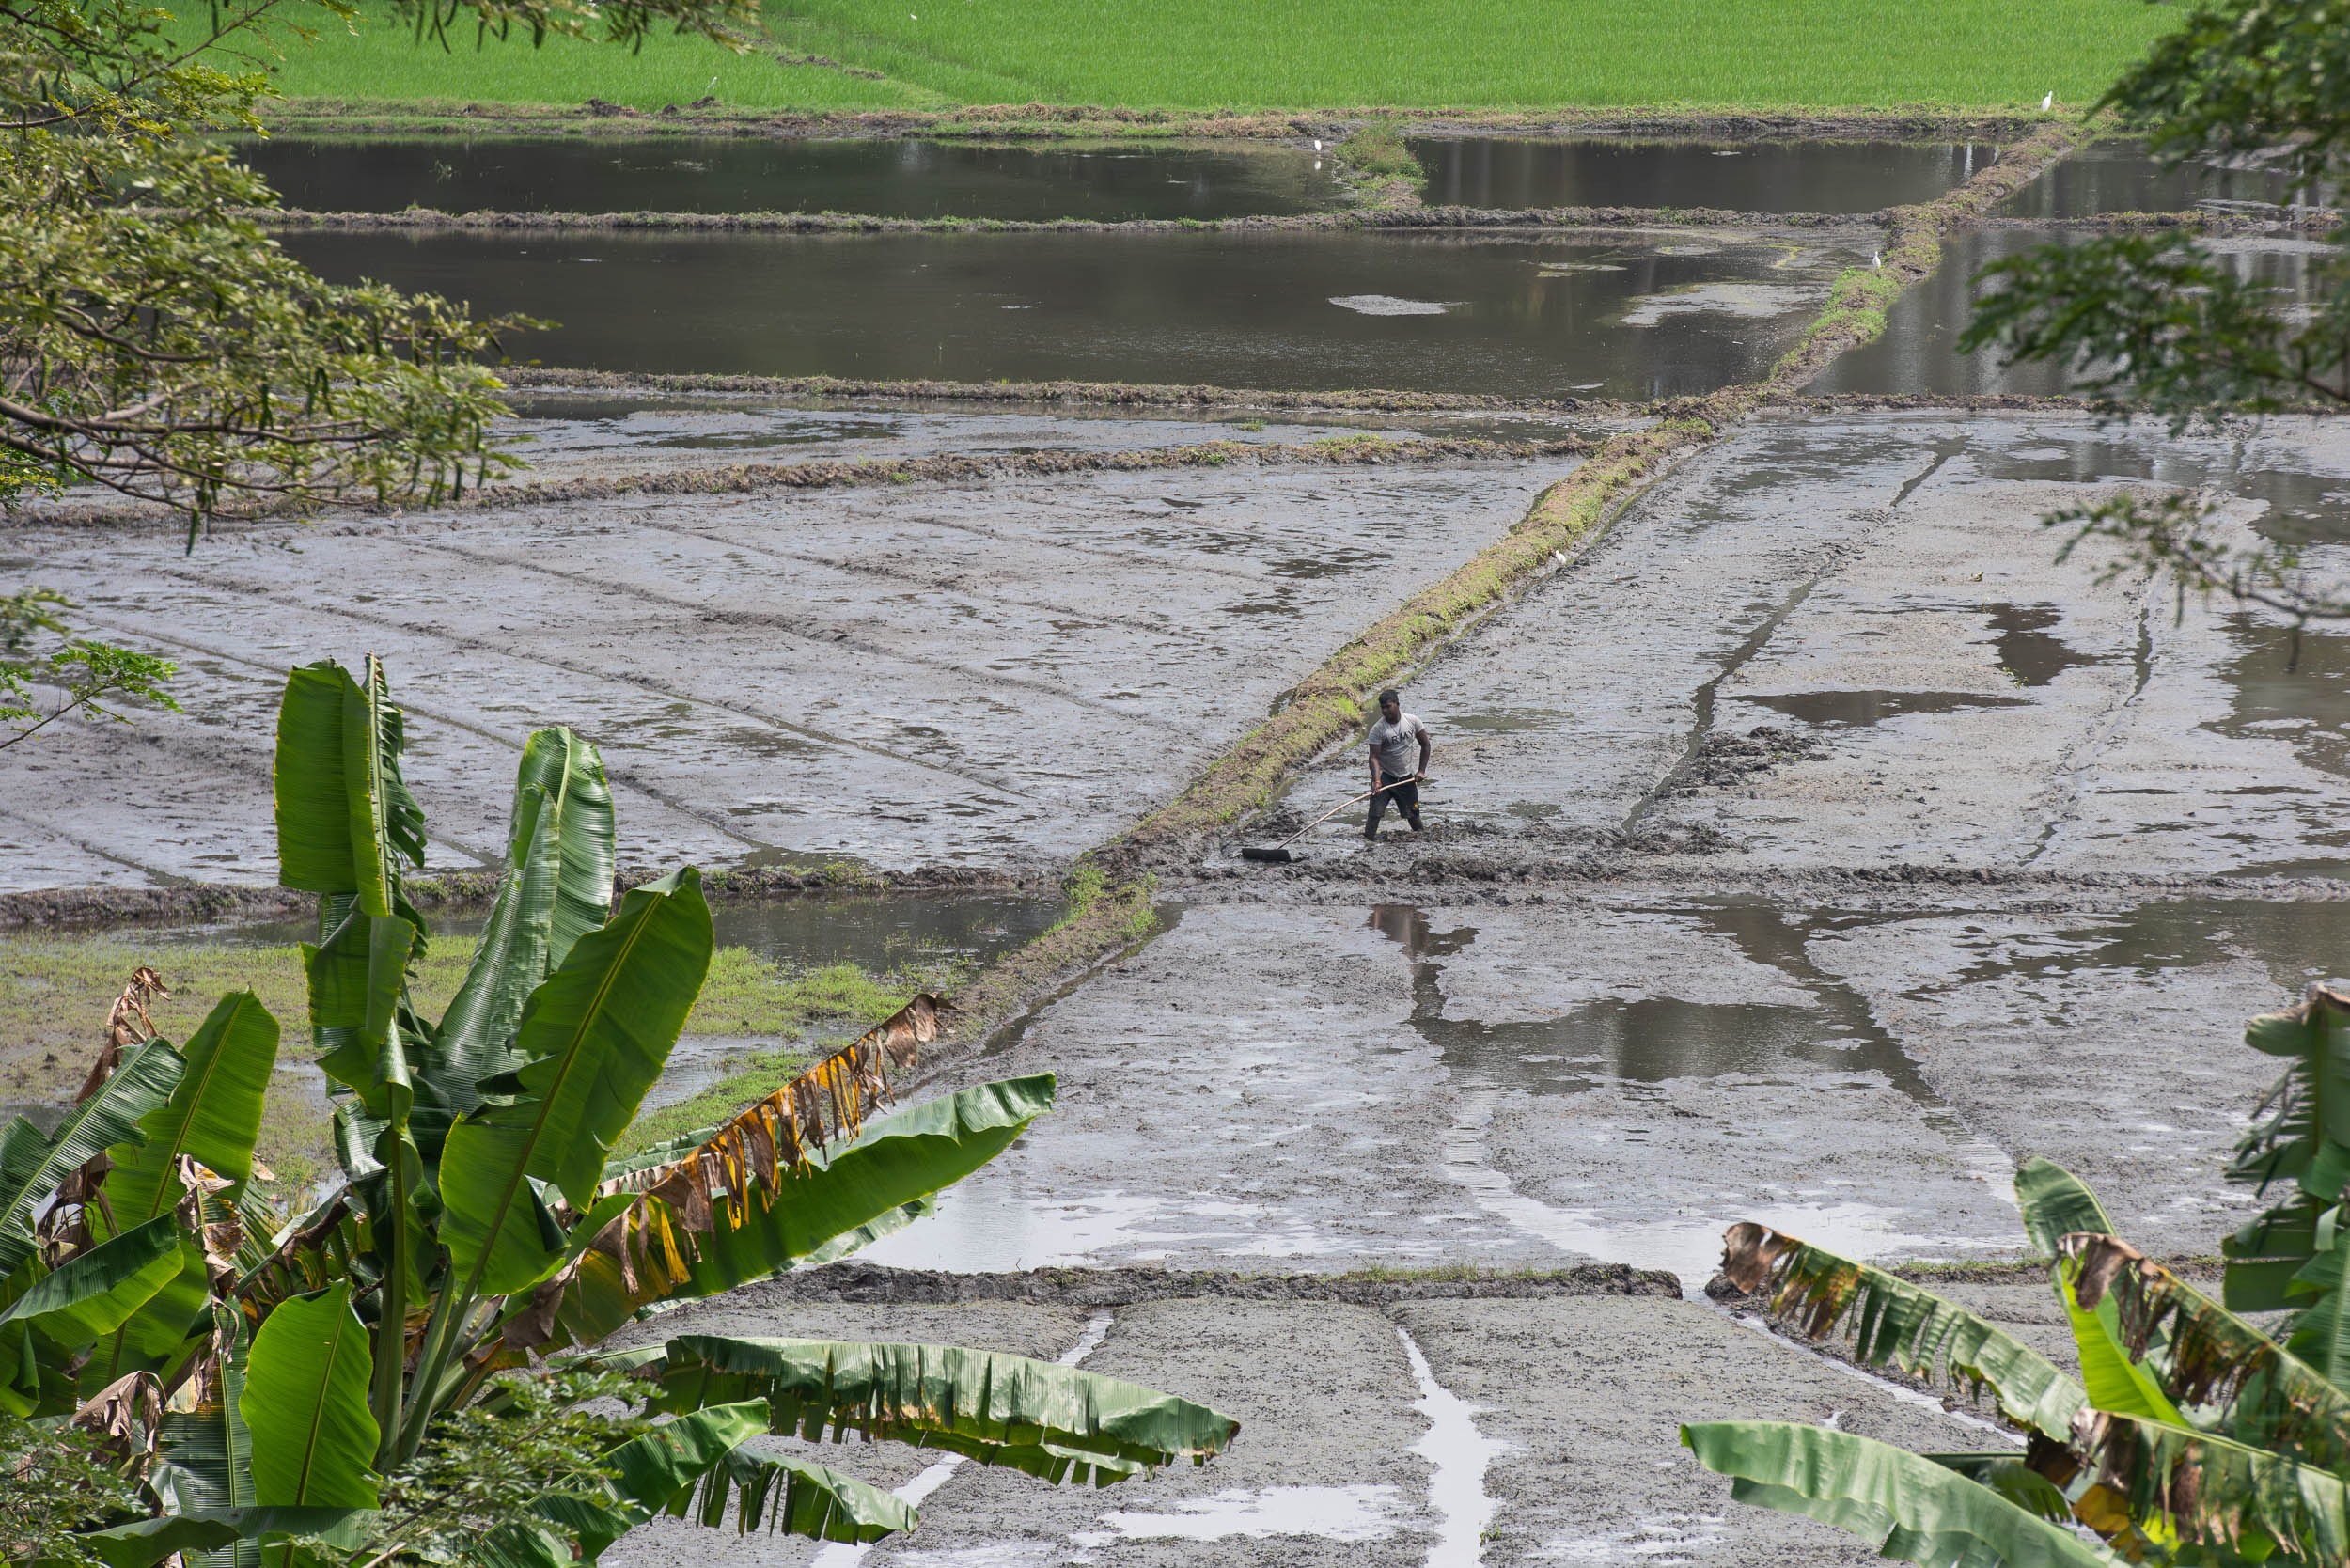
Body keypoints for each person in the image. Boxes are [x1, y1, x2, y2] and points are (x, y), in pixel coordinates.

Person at [1364, 688, 1430, 839]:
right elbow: (1373, 757)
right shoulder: (1378, 730)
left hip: (1406, 778)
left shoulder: (1413, 721)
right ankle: (1367, 842)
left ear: (1397, 704)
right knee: (1375, 814)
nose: (1385, 711)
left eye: (1388, 706)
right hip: (1386, 777)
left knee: (1413, 815)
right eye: (1383, 708)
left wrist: (1421, 771)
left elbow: (1425, 745)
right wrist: (1376, 780)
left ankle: (1423, 841)